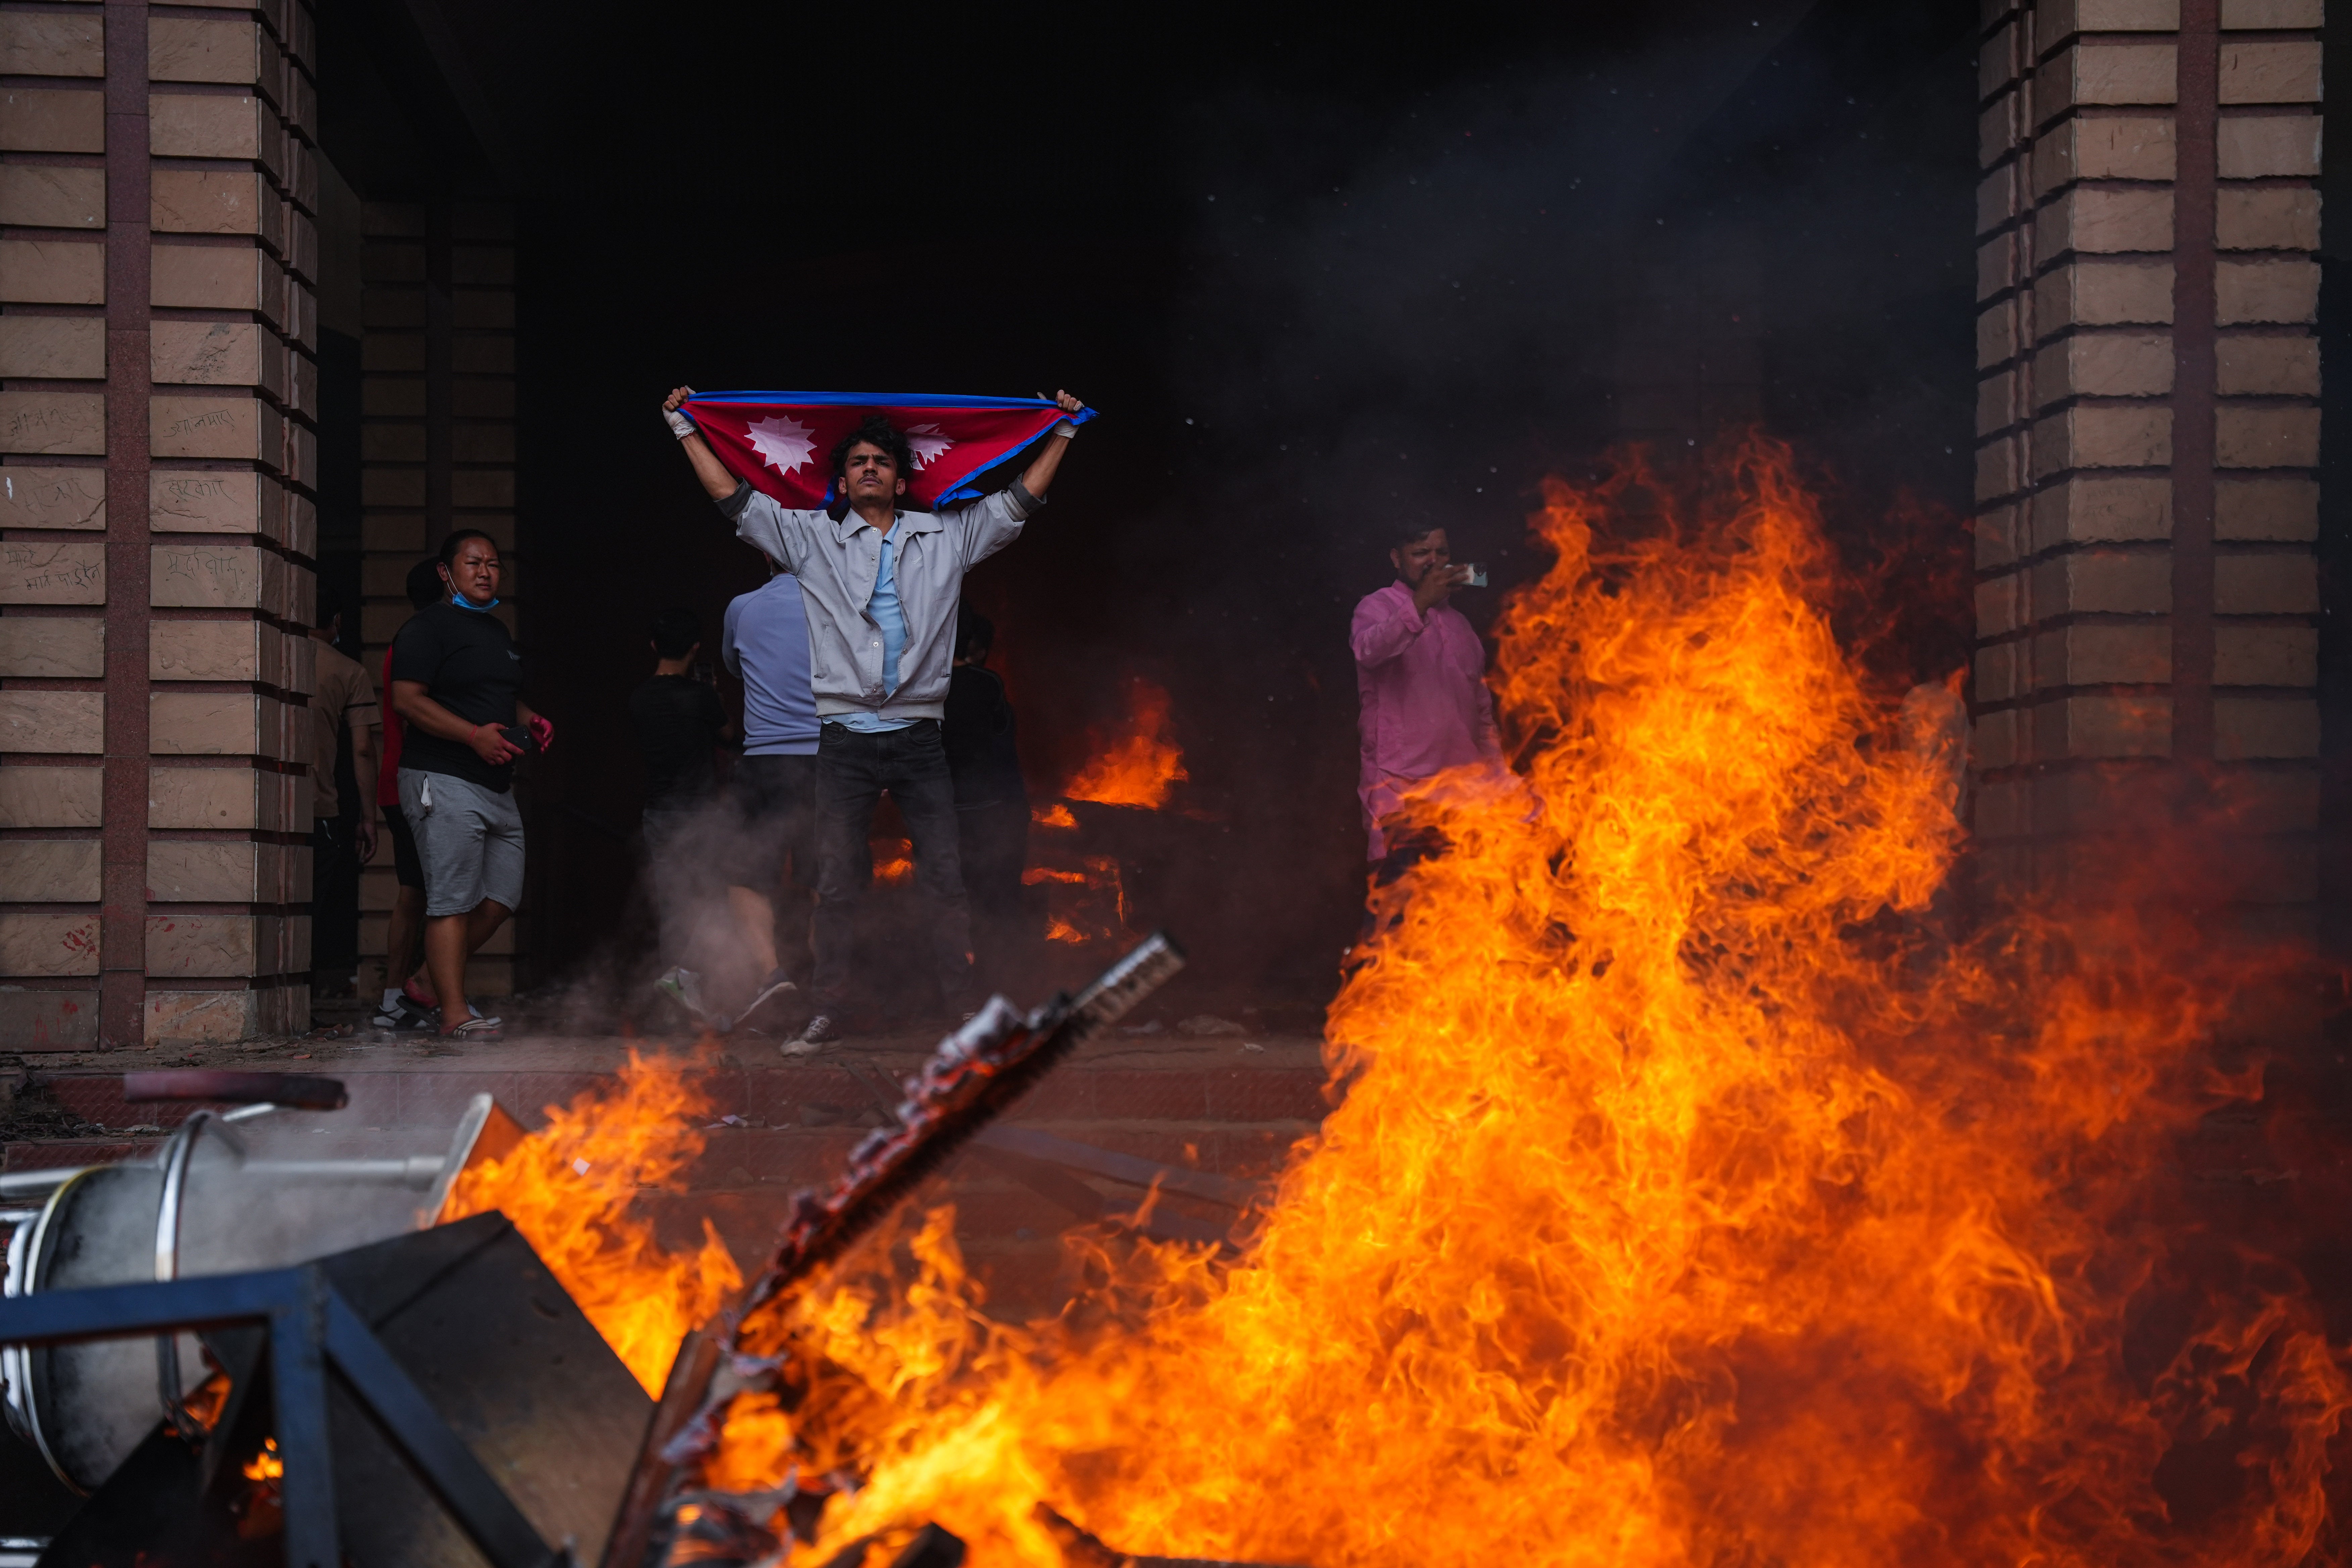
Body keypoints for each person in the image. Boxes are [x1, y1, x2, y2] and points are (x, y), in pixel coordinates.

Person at [662, 386, 1085, 1049]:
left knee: (945, 877)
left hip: (919, 739)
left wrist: (1062, 430)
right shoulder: (812, 541)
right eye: (858, 460)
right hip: (845, 742)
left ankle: (960, 1014)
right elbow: (733, 502)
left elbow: (1016, 504)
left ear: (900, 477)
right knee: (836, 885)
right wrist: (685, 426)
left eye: (881, 461)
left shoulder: (945, 536)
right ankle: (826, 1009)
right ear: (840, 478)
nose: (869, 469)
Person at [386, 530, 551, 1041]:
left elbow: (498, 699)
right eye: (473, 563)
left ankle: (423, 982)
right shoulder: (425, 629)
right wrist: (473, 736)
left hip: (496, 783)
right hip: (442, 776)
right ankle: (455, 1016)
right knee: (451, 901)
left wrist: (529, 718)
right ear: (447, 572)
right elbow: (407, 701)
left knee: (501, 898)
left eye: (494, 565)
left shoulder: (497, 632)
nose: (485, 572)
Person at [1351, 524, 1503, 883]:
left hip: (1465, 796)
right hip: (1403, 796)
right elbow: (1369, 651)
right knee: (1399, 916)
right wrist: (1420, 603)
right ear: (1397, 558)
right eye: (1421, 553)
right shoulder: (1375, 606)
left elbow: (1483, 717)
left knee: (1461, 918)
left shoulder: (1462, 626)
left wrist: (1500, 781)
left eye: (1442, 553)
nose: (1434, 561)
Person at [717, 557, 823, 1034]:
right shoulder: (839, 603)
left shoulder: (742, 607)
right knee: (828, 879)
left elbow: (735, 668)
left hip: (764, 759)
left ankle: (771, 974)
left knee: (746, 876)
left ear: (762, 554)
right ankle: (826, 986)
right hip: (828, 759)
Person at [629, 606, 734, 1015]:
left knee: (673, 903)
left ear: (654, 646)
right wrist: (715, 697)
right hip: (699, 812)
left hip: (658, 813)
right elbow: (729, 735)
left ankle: (675, 1001)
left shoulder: (638, 699)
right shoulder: (701, 697)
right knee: (713, 898)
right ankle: (687, 984)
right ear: (695, 648)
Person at [372, 559, 446, 1032]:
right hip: (416, 785)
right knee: (425, 896)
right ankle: (405, 995)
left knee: (417, 895)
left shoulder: (409, 638)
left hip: (398, 783)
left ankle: (401, 996)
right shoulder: (424, 641)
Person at [941, 605, 1031, 987]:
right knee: (1000, 897)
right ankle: (1004, 981)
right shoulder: (988, 685)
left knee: (959, 898)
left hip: (954, 813)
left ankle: (961, 984)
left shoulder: (926, 689)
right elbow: (1001, 730)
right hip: (996, 810)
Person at [306, 598, 379, 996]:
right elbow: (363, 749)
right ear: (337, 621)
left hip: (258, 807)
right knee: (313, 911)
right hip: (319, 808)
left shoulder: (268, 653)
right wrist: (368, 818)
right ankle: (304, 1002)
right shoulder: (349, 671)